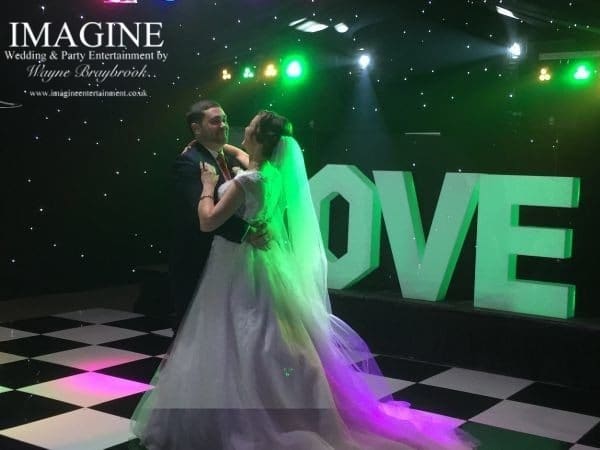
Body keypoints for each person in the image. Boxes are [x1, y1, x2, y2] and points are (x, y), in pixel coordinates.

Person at [132, 111, 477, 449]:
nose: (237, 129)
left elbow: (207, 221)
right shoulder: (272, 175)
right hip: (260, 264)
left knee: (233, 335)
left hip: (232, 266)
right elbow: (244, 165)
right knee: (266, 336)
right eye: (219, 121)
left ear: (258, 139)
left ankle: (244, 413)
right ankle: (284, 405)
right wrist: (242, 167)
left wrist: (209, 186)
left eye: (247, 127)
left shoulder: (246, 180)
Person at [168, 100, 264, 333]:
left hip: (228, 256)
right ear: (196, 129)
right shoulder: (188, 163)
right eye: (215, 121)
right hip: (197, 257)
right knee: (192, 326)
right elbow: (202, 215)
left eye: (225, 119)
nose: (223, 125)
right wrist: (247, 232)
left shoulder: (228, 156)